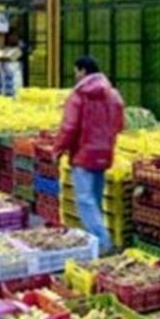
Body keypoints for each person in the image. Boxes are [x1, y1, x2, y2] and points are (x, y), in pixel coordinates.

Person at [56, 56, 125, 255]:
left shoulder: (78, 96)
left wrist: (58, 149)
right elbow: (120, 124)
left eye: (76, 71)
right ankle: (95, 241)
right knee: (94, 198)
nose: (75, 76)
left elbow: (69, 127)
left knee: (85, 200)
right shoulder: (113, 94)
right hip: (104, 154)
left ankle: (103, 242)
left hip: (84, 154)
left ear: (83, 71)